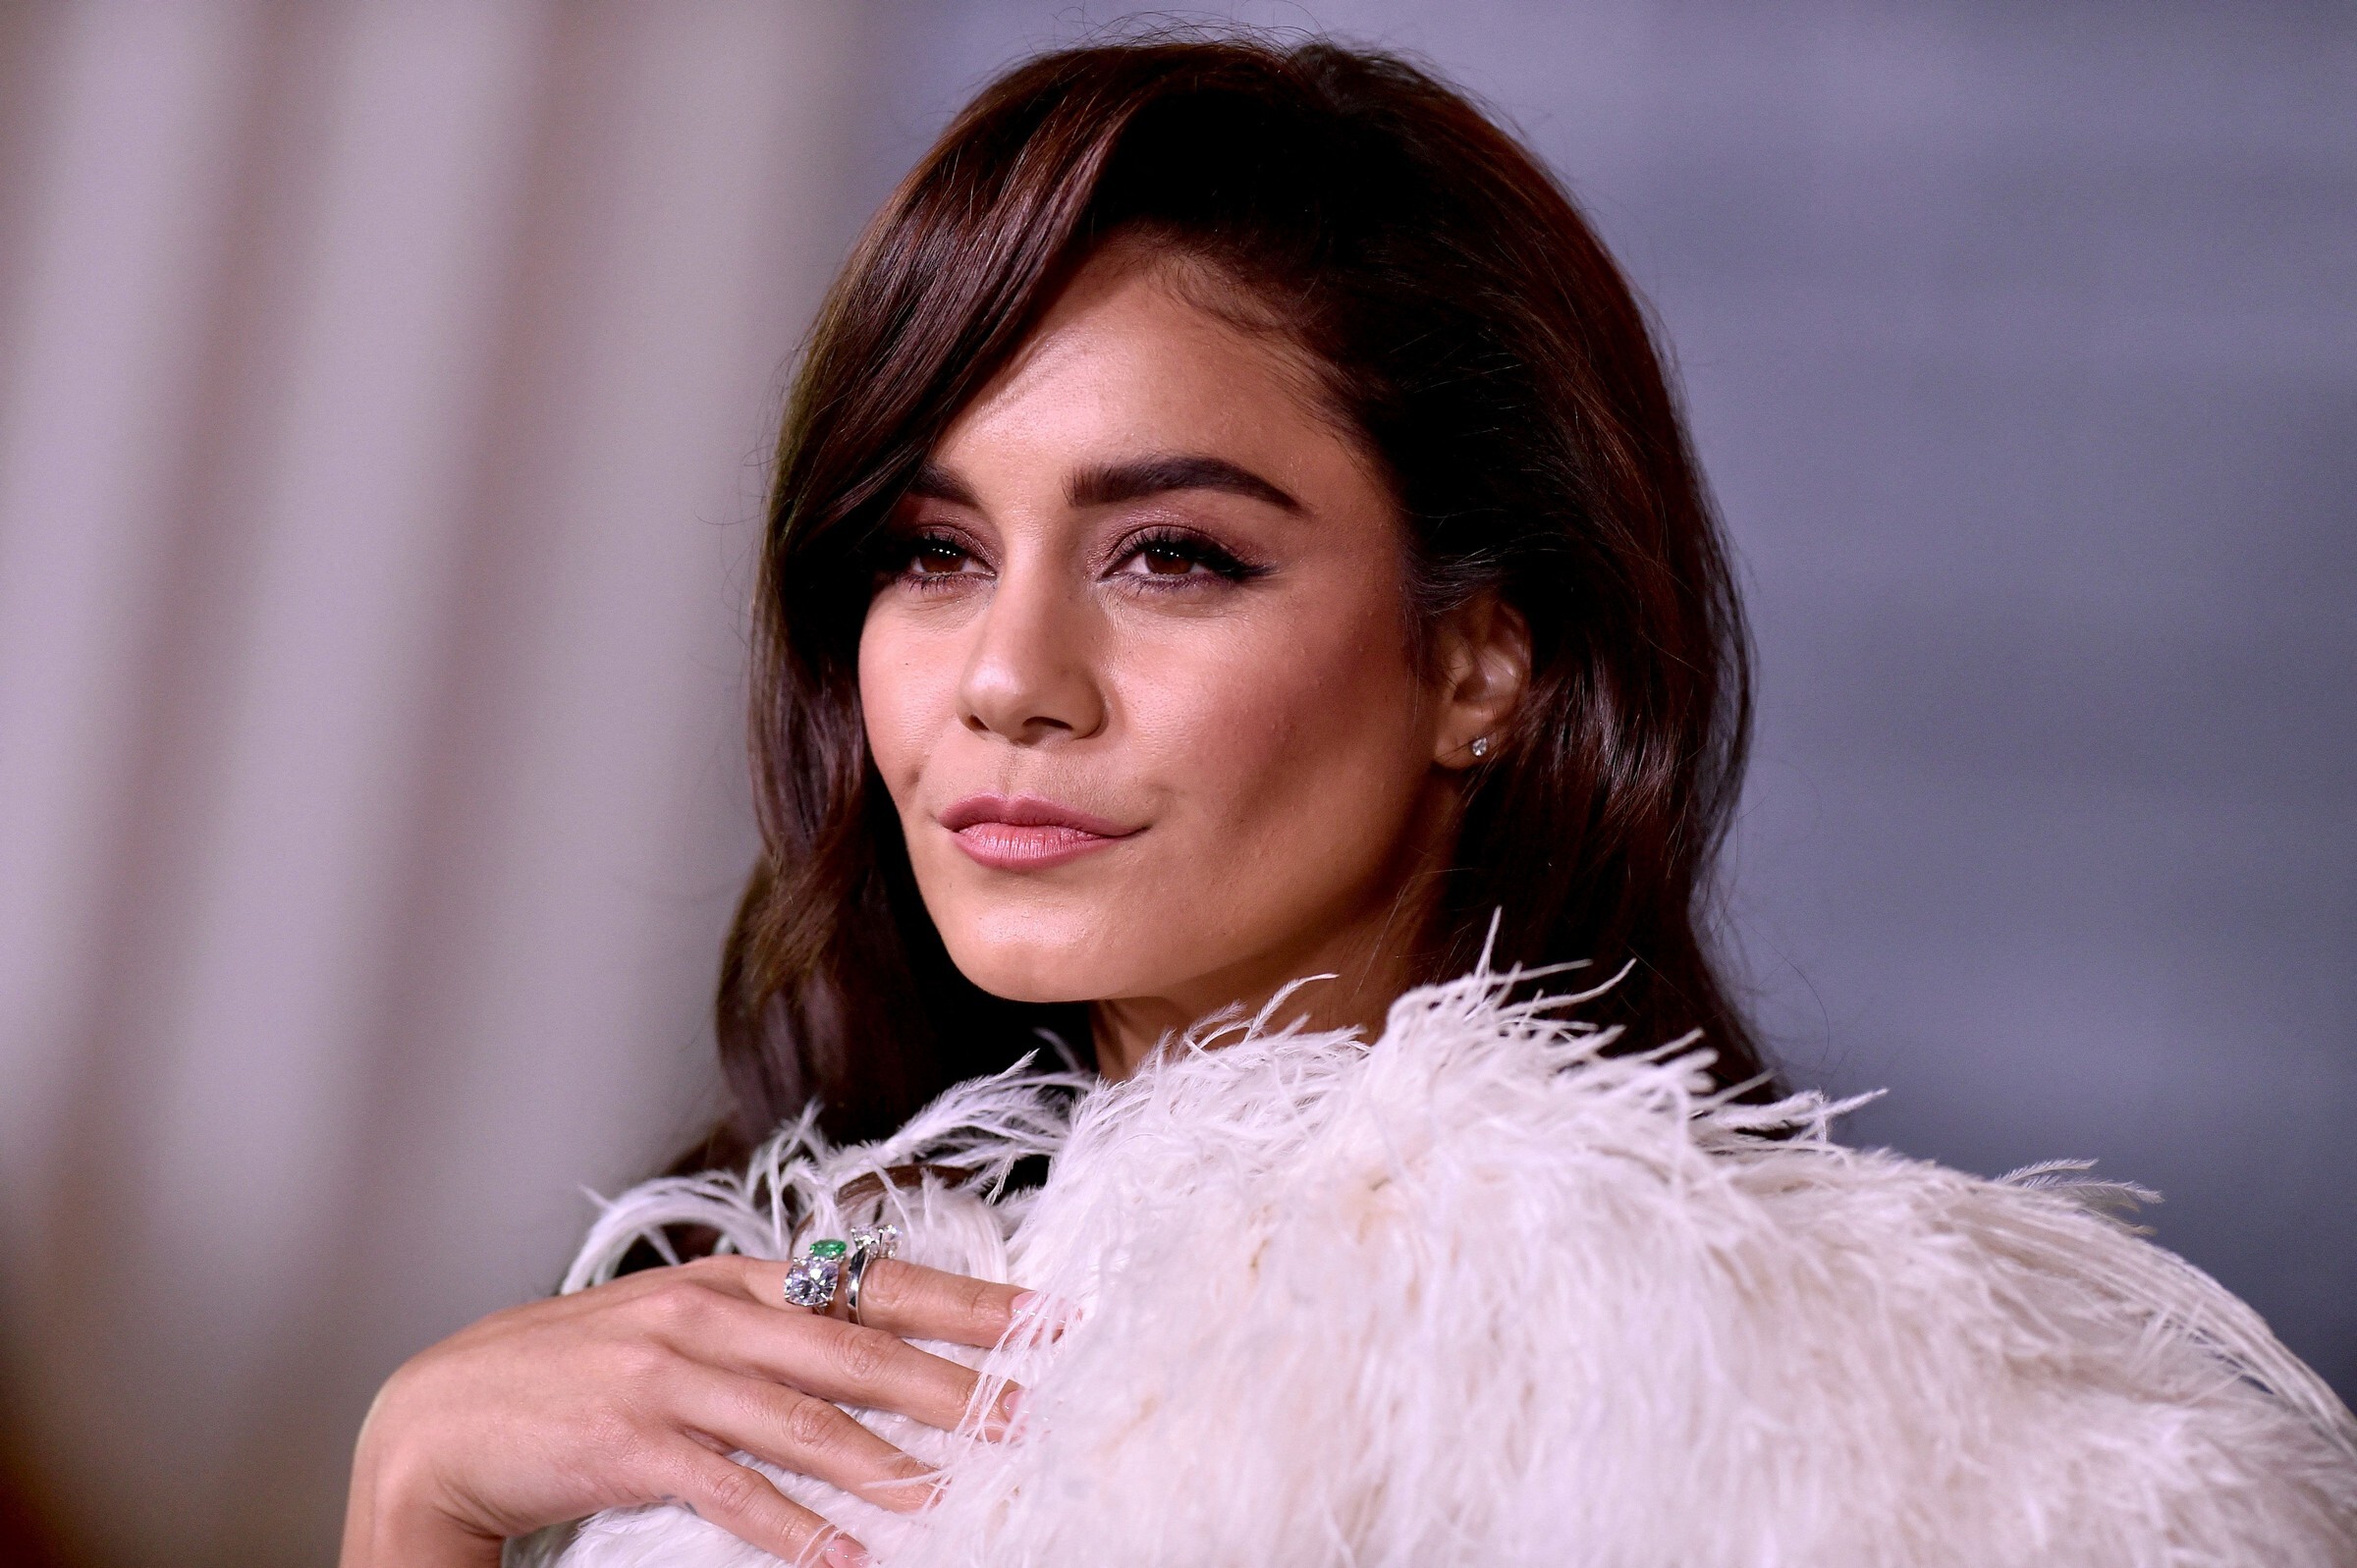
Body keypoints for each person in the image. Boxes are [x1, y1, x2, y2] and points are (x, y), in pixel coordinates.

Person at [340, 36, 2357, 1568]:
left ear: (1481, 658)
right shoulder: (781, 1300)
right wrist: (414, 1483)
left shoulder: (1811, 1413)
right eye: (932, 552)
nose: (1007, 678)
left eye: (1174, 555)